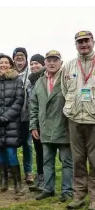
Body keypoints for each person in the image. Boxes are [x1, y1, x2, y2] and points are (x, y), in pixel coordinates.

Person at [29, 50, 73, 202]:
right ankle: (48, 189)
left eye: (55, 60)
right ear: (45, 63)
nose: (52, 63)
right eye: (49, 60)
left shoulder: (68, 79)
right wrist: (33, 126)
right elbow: (33, 105)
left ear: (61, 62)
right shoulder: (40, 82)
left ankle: (67, 191)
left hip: (64, 128)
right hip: (45, 129)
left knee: (67, 161)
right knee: (47, 161)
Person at [61, 30, 95, 210]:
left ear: (93, 42)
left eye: (86, 41)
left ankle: (94, 198)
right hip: (74, 119)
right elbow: (65, 91)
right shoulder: (69, 66)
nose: (83, 45)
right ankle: (79, 195)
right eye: (79, 42)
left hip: (94, 120)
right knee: (78, 160)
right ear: (75, 45)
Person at [0, 54, 24, 195]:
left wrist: (6, 116)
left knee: (11, 153)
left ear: (10, 65)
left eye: (6, 63)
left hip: (11, 123)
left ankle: (18, 183)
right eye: (1, 63)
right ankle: (3, 182)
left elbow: (19, 100)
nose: (4, 65)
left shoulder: (17, 80)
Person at [12, 47, 34, 184]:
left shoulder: (31, 73)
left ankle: (28, 171)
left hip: (27, 115)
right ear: (13, 58)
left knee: (27, 144)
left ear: (26, 58)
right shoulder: (10, 72)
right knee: (11, 144)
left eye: (22, 57)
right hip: (12, 116)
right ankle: (12, 170)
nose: (19, 59)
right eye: (17, 57)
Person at [28, 53, 46, 192]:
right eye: (32, 64)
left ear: (43, 64)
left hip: (48, 121)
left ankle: (47, 180)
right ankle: (40, 178)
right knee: (39, 152)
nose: (34, 66)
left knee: (49, 153)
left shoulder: (47, 78)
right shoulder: (31, 81)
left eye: (37, 63)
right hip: (35, 121)